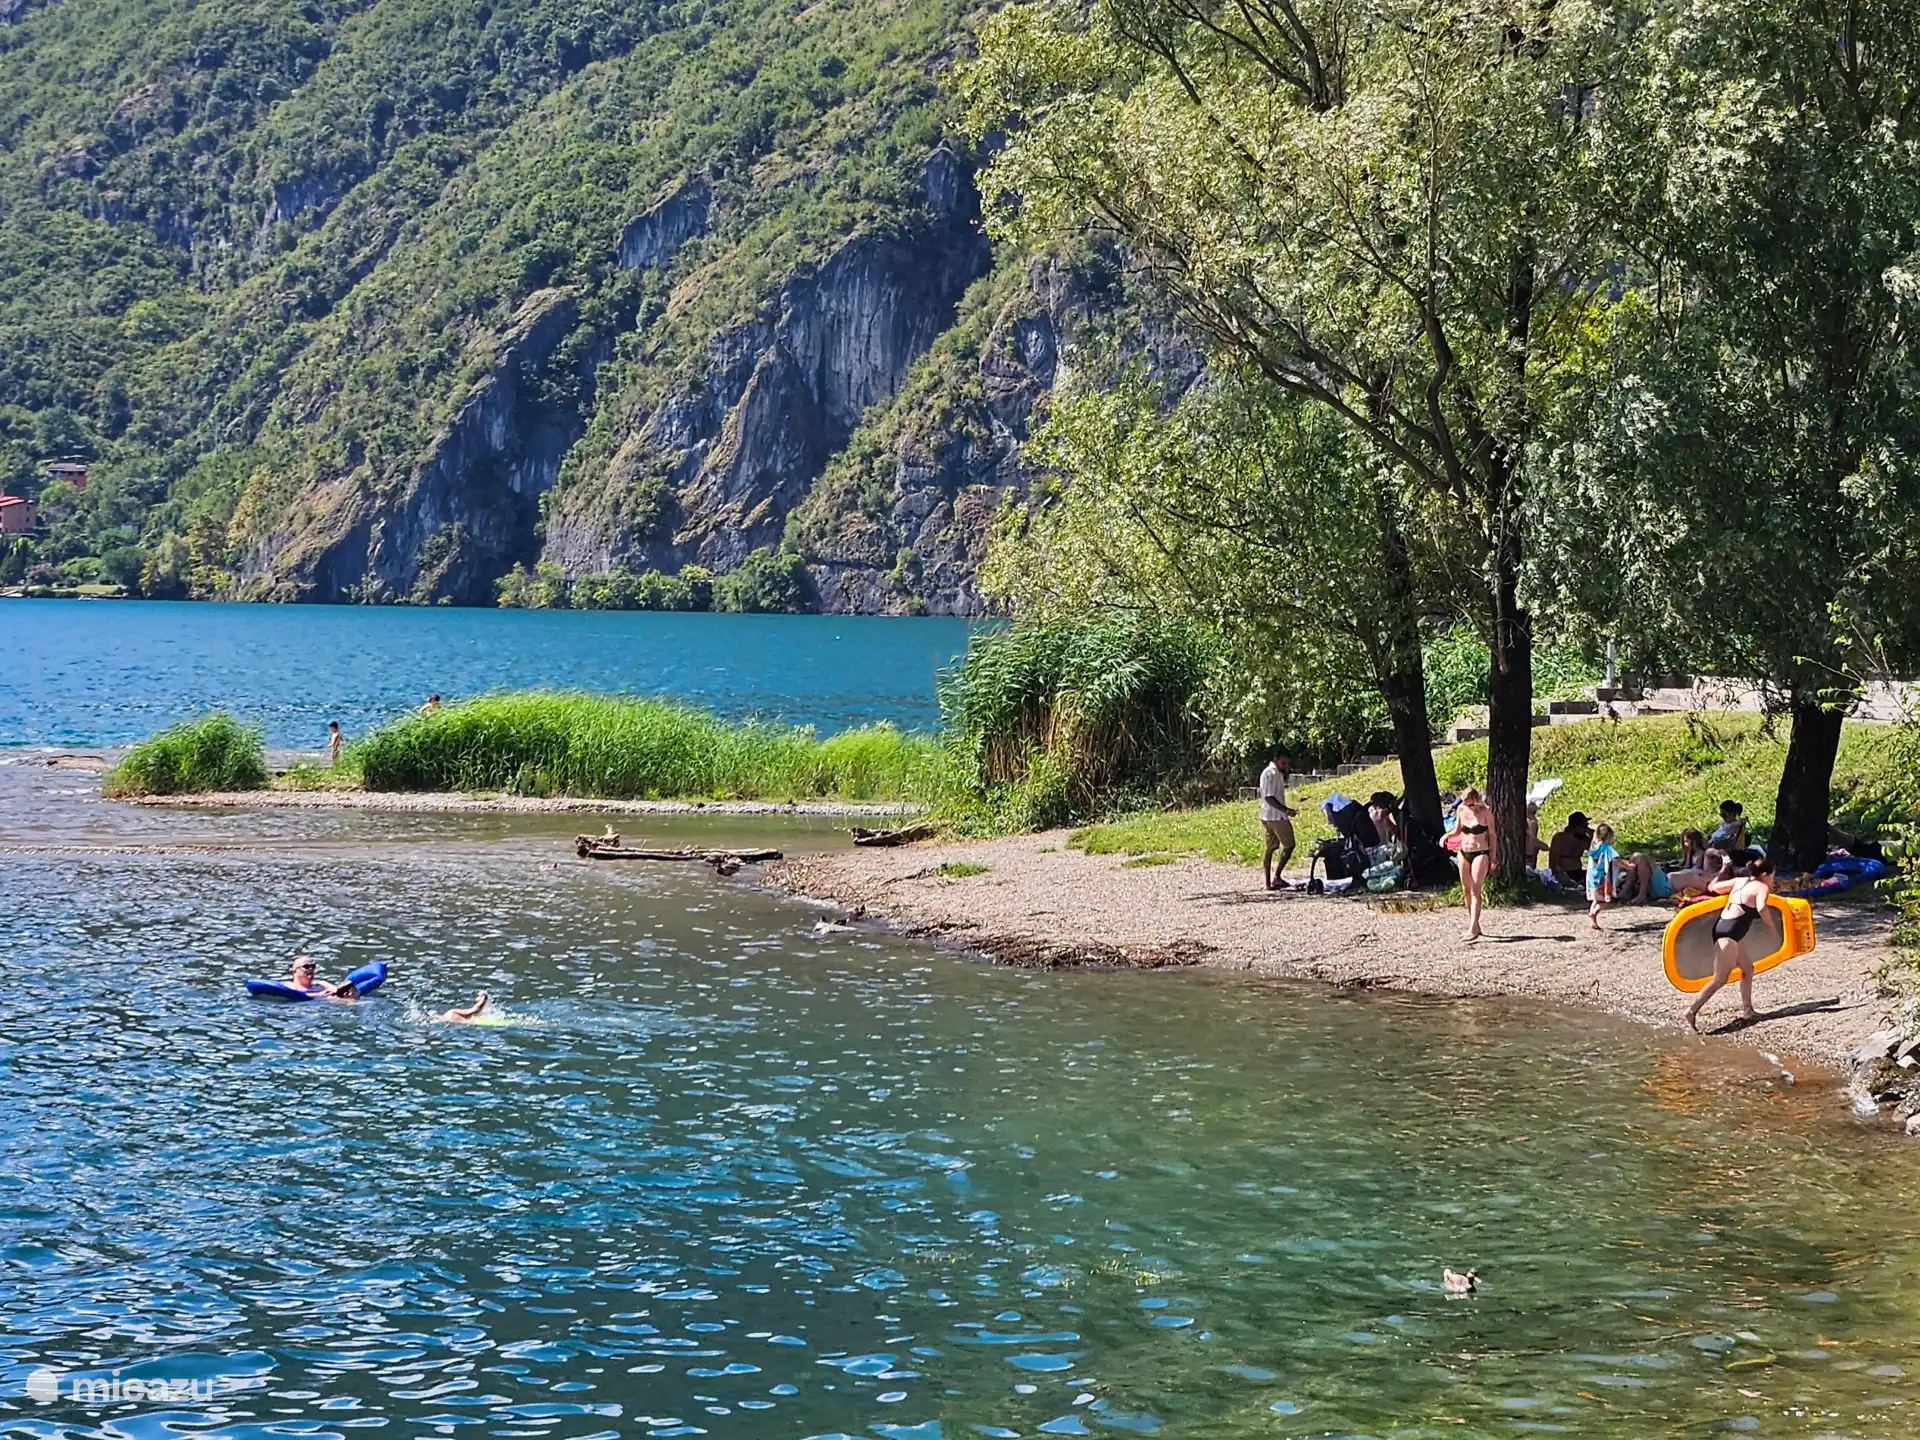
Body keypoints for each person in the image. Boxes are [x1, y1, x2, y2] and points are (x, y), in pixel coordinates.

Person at [1686, 856, 1778, 1031]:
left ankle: (1748, 1010)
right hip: (1729, 936)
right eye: (1772, 876)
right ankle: (1691, 1011)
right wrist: (1771, 926)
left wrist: (1722, 872)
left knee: (1748, 968)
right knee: (1720, 979)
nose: (1773, 880)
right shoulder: (1762, 887)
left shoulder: (1739, 881)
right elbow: (1761, 908)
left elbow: (1713, 887)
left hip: (1723, 929)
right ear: (1765, 875)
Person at [1453, 787, 1495, 941]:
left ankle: (1472, 929)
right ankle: (1474, 924)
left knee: (1475, 890)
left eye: (1470, 804)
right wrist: (1447, 836)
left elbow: (1493, 835)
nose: (1468, 807)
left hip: (1481, 852)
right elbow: (1457, 830)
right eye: (1466, 804)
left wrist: (1493, 857)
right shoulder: (1461, 809)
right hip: (1464, 851)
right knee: (1466, 889)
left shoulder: (1486, 812)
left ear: (1476, 801)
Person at [1259, 749, 1298, 891]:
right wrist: (1286, 810)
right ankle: (1276, 877)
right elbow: (1269, 797)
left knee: (1270, 847)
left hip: (1267, 815)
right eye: (1283, 763)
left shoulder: (1276, 773)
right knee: (1289, 845)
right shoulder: (1271, 773)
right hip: (1276, 816)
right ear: (1276, 759)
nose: (1285, 766)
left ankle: (1268, 882)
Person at [1585, 822, 1620, 929]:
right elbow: (1616, 860)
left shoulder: (1593, 848)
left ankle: (1593, 921)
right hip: (1604, 879)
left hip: (1593, 879)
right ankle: (1593, 913)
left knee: (1596, 899)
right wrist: (1628, 866)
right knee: (1604, 901)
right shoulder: (1607, 848)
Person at [1546, 812, 1592, 887]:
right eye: (1584, 826)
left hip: (1578, 873)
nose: (1585, 828)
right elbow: (1553, 862)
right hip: (1564, 874)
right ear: (1576, 827)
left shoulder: (1583, 839)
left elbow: (1596, 849)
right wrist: (1561, 877)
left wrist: (1591, 833)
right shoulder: (1560, 838)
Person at [288, 956, 356, 1000]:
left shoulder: (322, 985)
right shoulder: (290, 986)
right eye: (306, 967)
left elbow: (337, 991)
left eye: (313, 966)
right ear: (295, 971)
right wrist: (318, 995)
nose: (311, 969)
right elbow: (294, 995)